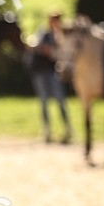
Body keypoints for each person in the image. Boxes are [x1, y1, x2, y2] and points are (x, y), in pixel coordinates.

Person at [29, 11, 72, 144]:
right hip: (41, 71)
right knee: (43, 101)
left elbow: (62, 53)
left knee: (60, 100)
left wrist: (51, 52)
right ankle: (47, 131)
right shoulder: (43, 33)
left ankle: (67, 129)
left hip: (54, 71)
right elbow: (33, 45)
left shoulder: (62, 36)